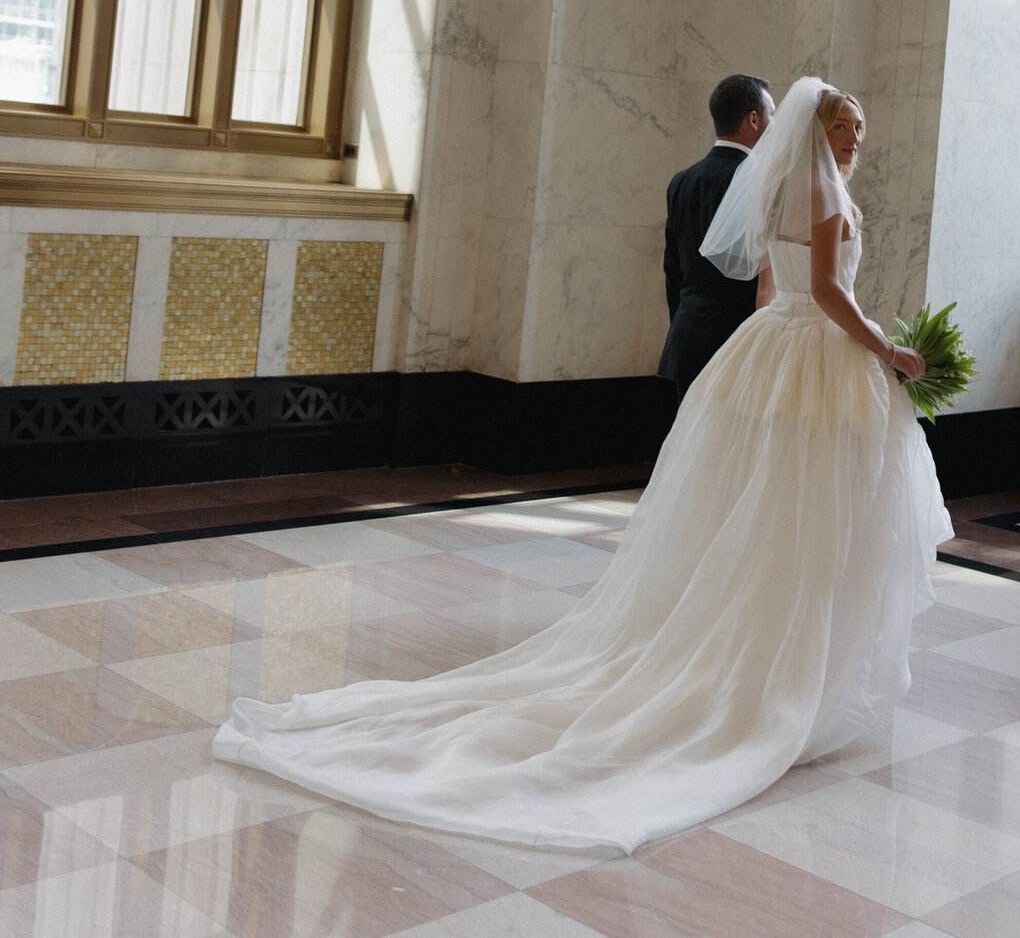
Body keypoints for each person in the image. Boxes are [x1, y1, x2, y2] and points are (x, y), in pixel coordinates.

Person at [213, 78, 951, 856]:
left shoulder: (776, 192)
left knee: (768, 510)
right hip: (821, 355)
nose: (856, 141)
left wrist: (772, 362)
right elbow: (831, 292)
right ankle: (791, 678)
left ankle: (769, 658)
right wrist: (888, 350)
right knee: (809, 519)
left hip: (773, 349)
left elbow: (770, 290)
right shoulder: (827, 196)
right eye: (848, 128)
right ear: (818, 129)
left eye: (859, 130)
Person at [658, 73, 774, 406]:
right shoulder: (762, 181)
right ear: (753, 119)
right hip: (737, 339)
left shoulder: (682, 180)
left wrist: (683, 326)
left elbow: (673, 269)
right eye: (773, 115)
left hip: (688, 336)